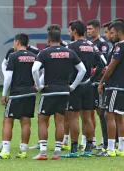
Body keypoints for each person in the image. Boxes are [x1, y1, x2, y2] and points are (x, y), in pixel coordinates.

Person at [31, 28, 86, 160]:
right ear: (61, 40)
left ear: (48, 39)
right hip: (64, 91)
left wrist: (39, 86)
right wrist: (72, 86)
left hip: (49, 91)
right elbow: (82, 70)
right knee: (60, 121)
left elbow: (34, 70)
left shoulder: (44, 53)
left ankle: (43, 152)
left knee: (42, 120)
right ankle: (56, 152)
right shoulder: (70, 52)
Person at [62, 20, 104, 158]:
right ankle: (88, 148)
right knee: (88, 117)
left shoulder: (71, 46)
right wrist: (92, 79)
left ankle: (74, 149)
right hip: (88, 85)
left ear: (74, 31)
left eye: (69, 31)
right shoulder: (92, 46)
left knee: (73, 117)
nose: (69, 33)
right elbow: (102, 64)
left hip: (75, 86)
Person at [0, 33, 37, 159]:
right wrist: (38, 85)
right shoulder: (34, 56)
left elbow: (8, 77)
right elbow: (40, 72)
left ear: (17, 42)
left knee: (7, 120)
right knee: (26, 122)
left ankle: (5, 152)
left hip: (16, 93)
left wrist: (3, 94)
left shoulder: (13, 56)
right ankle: (23, 152)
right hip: (30, 93)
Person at [97, 21, 124, 157]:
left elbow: (112, 66)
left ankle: (110, 148)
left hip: (115, 85)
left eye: (112, 32)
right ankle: (121, 148)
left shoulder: (120, 46)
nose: (110, 35)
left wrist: (101, 82)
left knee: (109, 114)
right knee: (120, 115)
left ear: (119, 32)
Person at [85, 19, 110, 149]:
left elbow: (104, 65)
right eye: (87, 29)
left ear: (97, 29)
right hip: (89, 83)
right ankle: (92, 141)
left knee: (101, 112)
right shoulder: (87, 44)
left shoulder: (102, 44)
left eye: (90, 29)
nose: (88, 31)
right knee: (88, 112)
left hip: (98, 83)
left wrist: (92, 71)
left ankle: (105, 141)